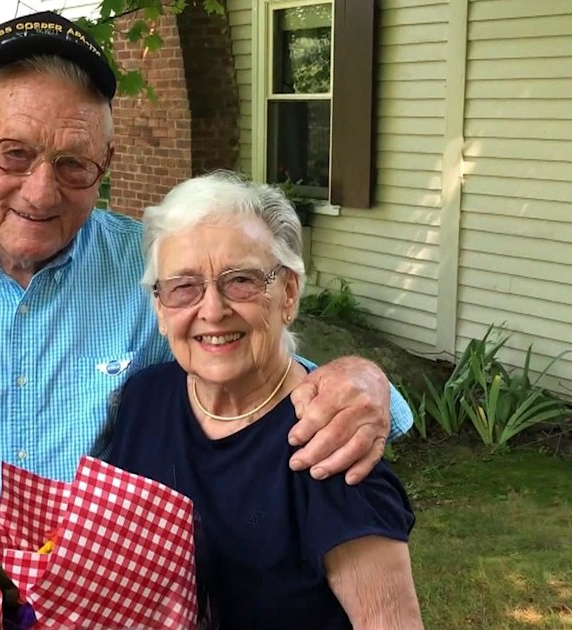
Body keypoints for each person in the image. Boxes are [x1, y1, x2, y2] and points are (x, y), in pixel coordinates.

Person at [0, 11, 413, 630]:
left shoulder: (152, 270)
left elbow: (240, 361)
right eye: (15, 154)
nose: (41, 191)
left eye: (74, 164)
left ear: (106, 161)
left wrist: (362, 382)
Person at [104, 172, 423, 629]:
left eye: (241, 281)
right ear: (159, 308)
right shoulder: (144, 401)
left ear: (288, 292)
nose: (213, 310)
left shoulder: (329, 441)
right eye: (183, 287)